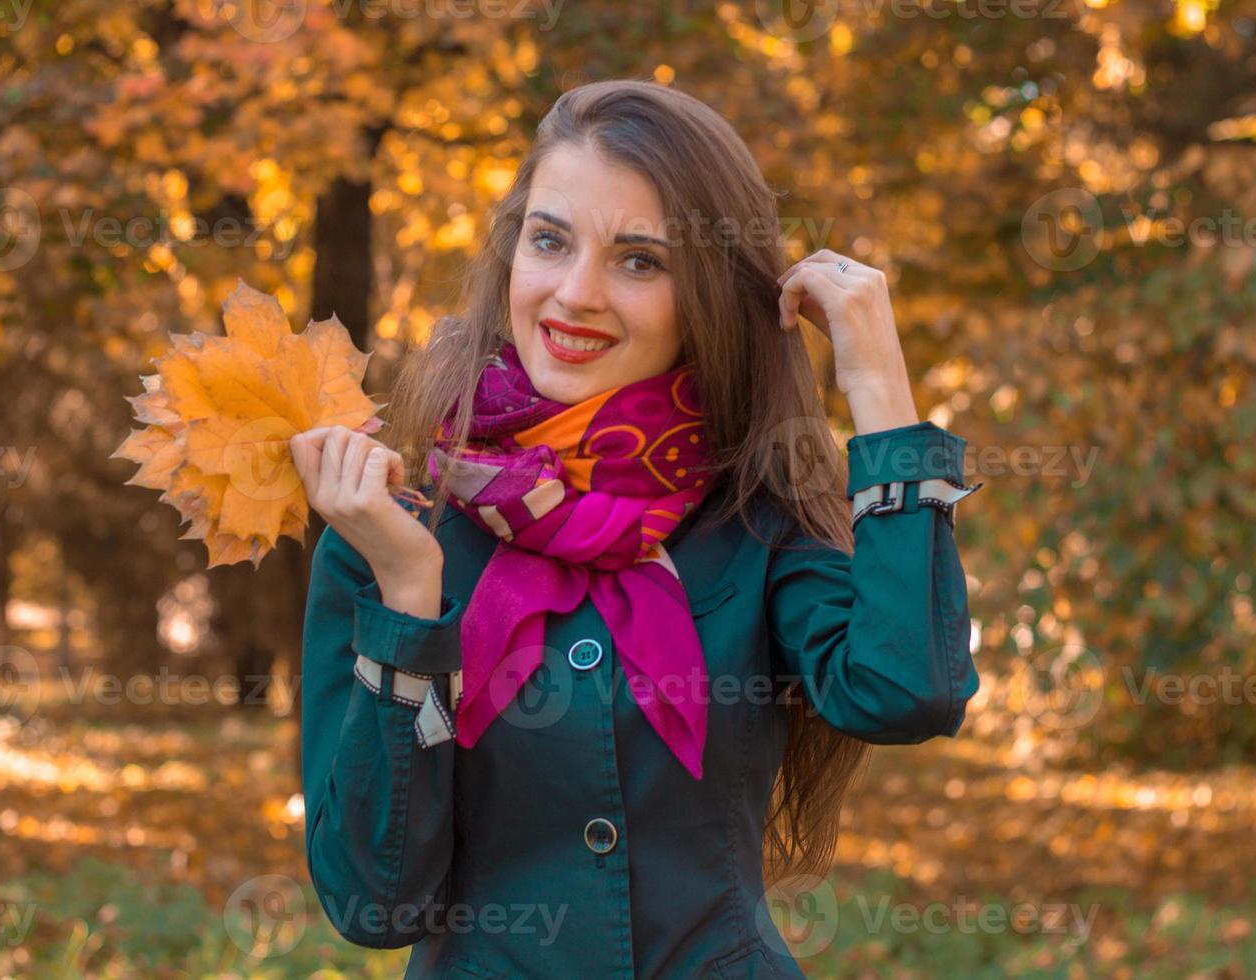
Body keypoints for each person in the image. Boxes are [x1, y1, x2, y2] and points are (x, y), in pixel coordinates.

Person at [291, 78, 984, 979]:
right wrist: (409, 604)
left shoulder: (753, 519)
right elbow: (374, 903)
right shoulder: (388, 524)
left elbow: (907, 690)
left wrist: (882, 393)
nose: (575, 295)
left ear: (708, 293)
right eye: (550, 241)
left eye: (639, 260)